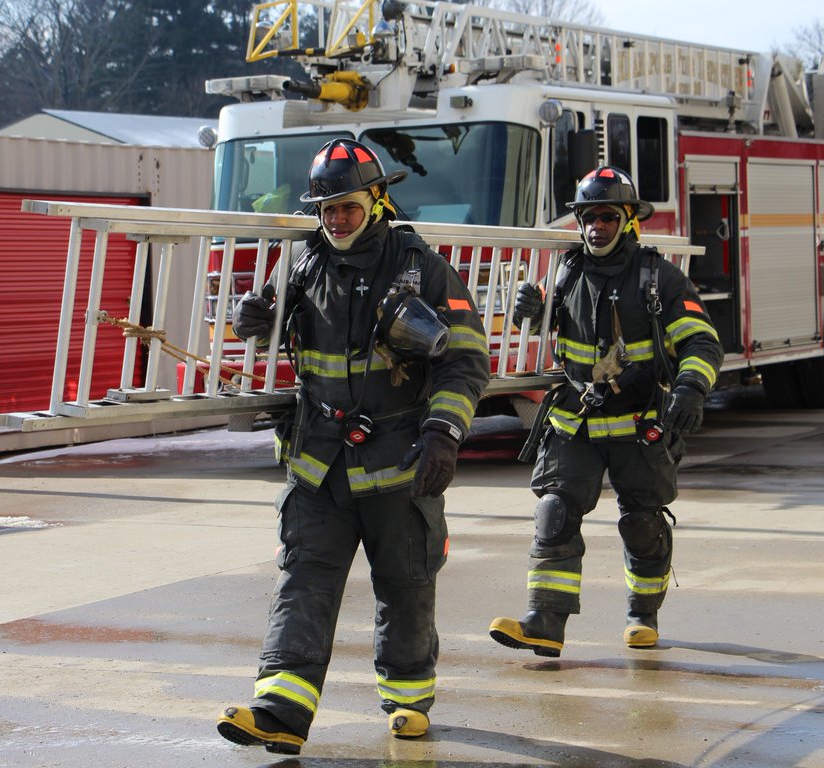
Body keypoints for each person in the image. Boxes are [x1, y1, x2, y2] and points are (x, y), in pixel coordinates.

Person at [215, 138, 491, 755]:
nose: (336, 219)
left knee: (405, 583)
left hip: (399, 463)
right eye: (327, 209)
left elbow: (467, 359)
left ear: (377, 200)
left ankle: (408, 700)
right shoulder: (301, 263)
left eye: (348, 206)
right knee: (303, 578)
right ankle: (281, 709)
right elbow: (265, 318)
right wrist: (249, 318)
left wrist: (444, 432)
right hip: (319, 462)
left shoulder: (421, 266)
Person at [488, 165, 723, 658]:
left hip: (638, 422)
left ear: (629, 221)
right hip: (575, 418)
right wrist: (529, 308)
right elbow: (548, 320)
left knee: (642, 523)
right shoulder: (566, 271)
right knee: (554, 513)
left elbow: (701, 341)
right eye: (589, 217)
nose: (597, 226)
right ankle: (545, 621)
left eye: (608, 217)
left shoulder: (659, 277)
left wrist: (691, 388)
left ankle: (643, 615)